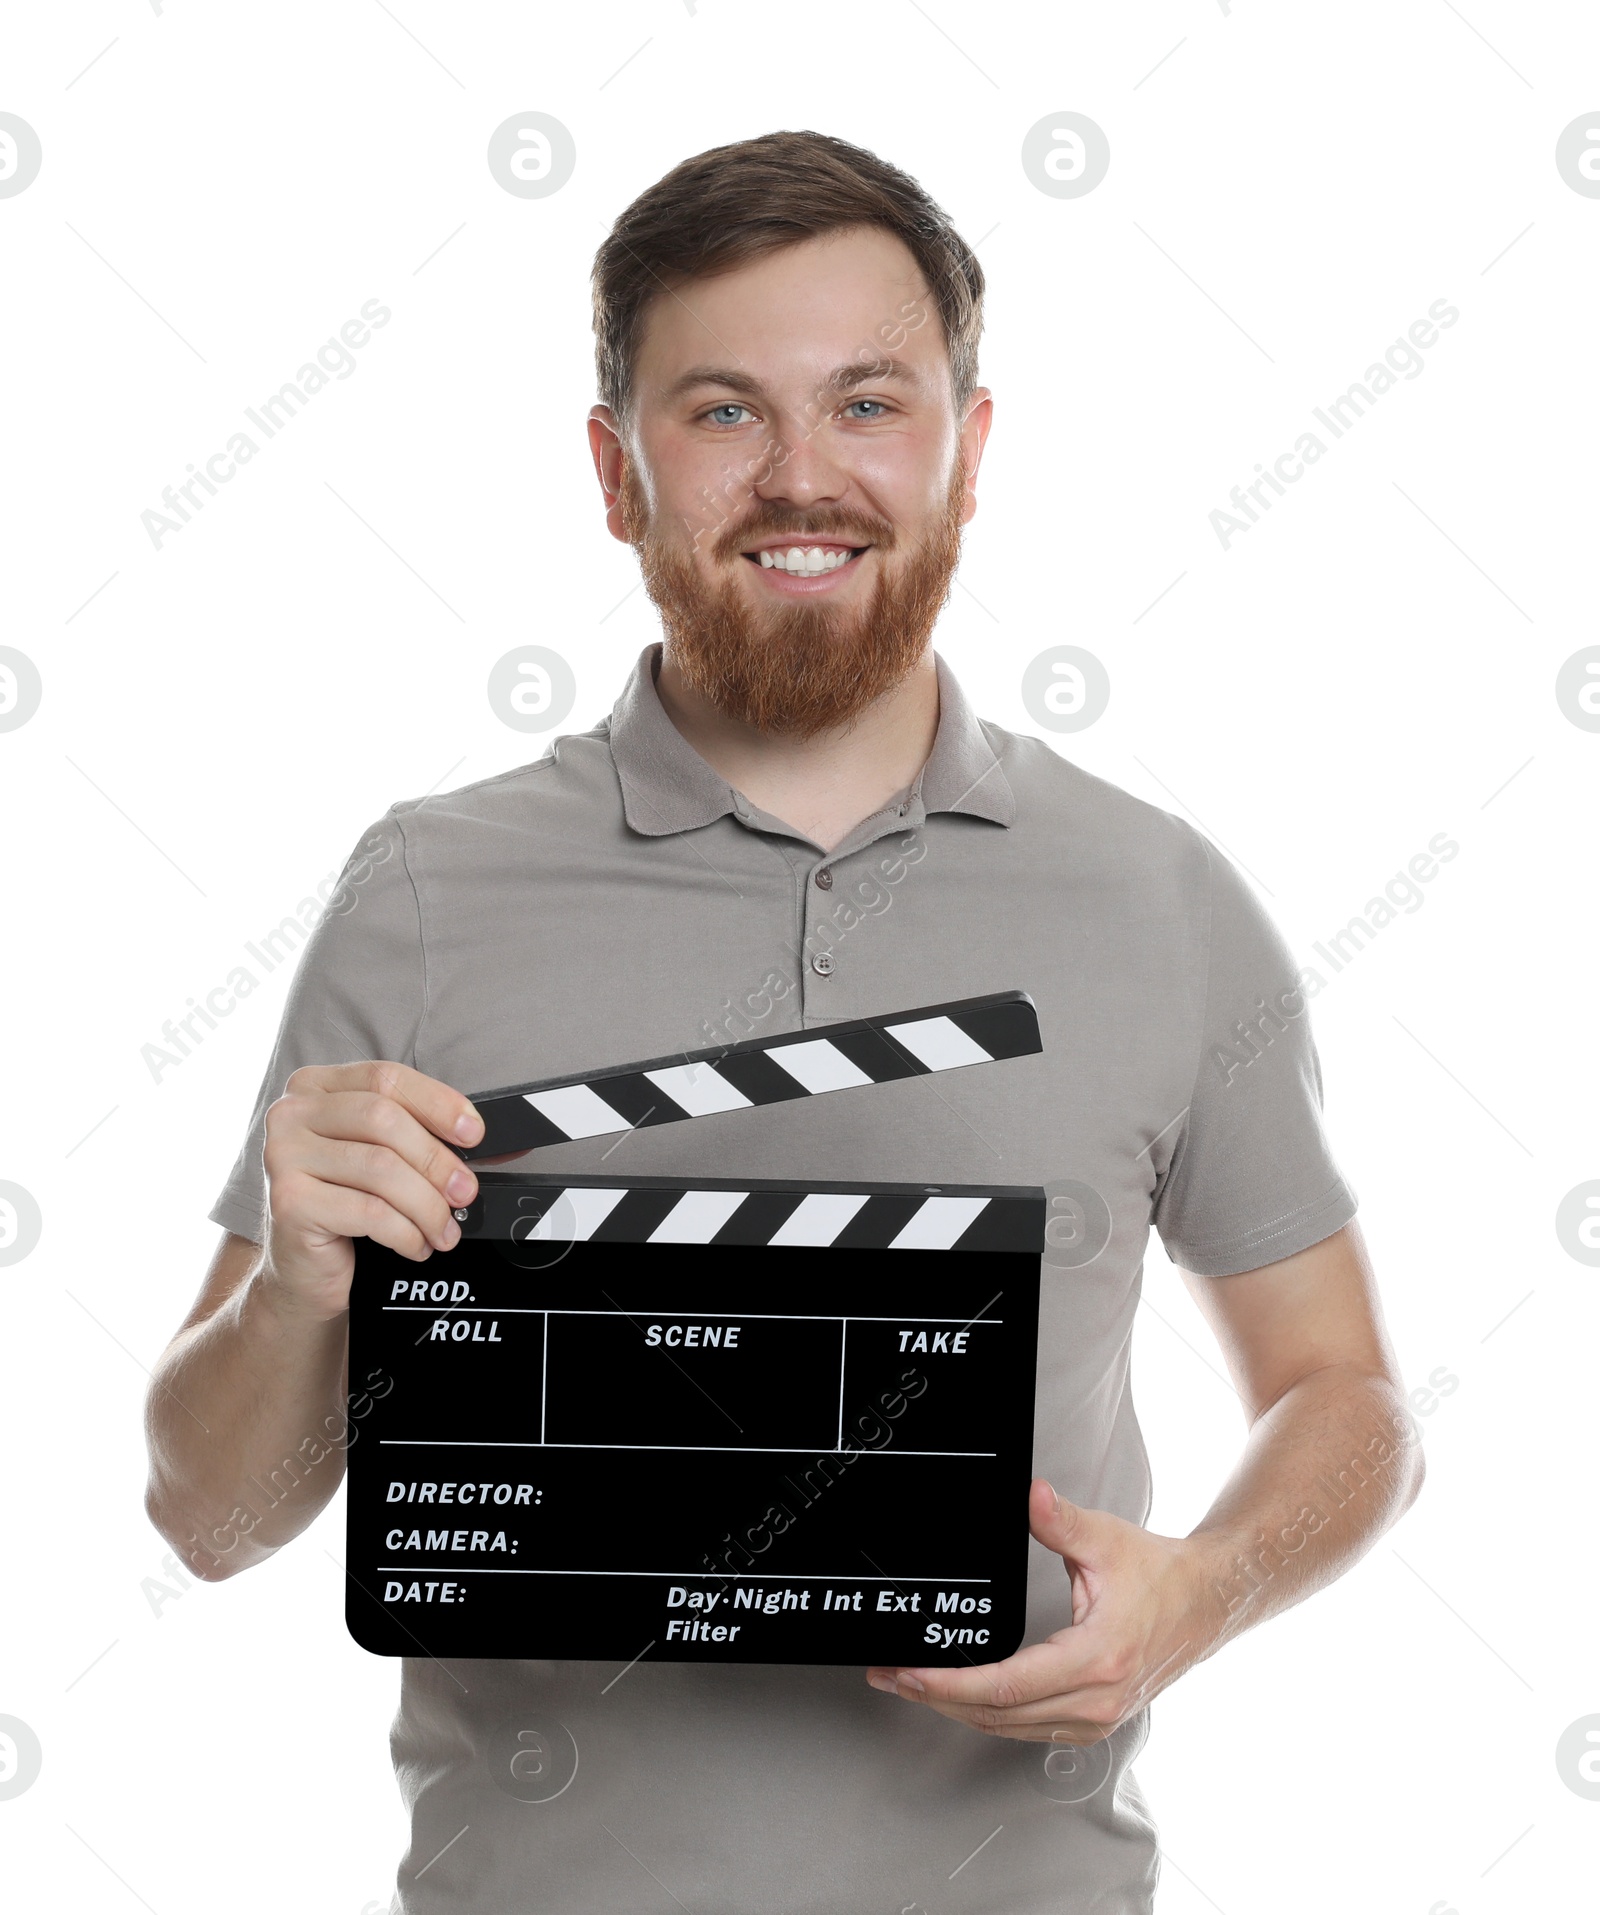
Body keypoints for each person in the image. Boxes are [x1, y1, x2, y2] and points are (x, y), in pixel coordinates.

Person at [145, 129, 1422, 1913]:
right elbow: (209, 1519)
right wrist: (298, 1286)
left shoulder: (1159, 899)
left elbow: (1345, 1389)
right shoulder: (427, 892)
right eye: (724, 411)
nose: (802, 476)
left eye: (871, 405)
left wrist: (1207, 1588)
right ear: (615, 470)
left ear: (971, 452)